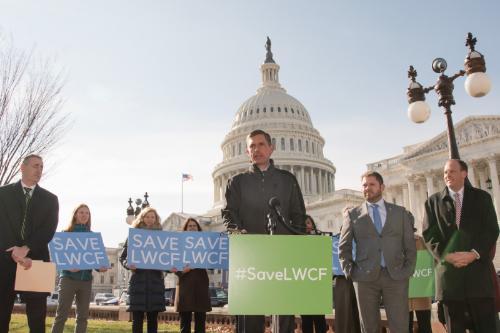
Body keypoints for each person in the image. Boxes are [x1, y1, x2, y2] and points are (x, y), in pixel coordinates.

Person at [222, 129, 306, 333]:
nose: (256, 149)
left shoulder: (288, 180)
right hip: (251, 255)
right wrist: (236, 230)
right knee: (250, 315)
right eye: (252, 146)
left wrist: (297, 243)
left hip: (282, 255)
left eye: (261, 144)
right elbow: (229, 213)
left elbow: (299, 215)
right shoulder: (237, 182)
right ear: (247, 152)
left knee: (284, 313)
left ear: (271, 148)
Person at [423, 159, 499, 333]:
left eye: (451, 171)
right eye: (445, 173)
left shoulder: (482, 198)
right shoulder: (432, 202)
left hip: (478, 278)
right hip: (450, 281)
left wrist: (474, 254)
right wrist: (446, 255)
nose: (447, 175)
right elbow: (429, 235)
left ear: (464, 173)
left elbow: (491, 229)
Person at [339, 171, 416, 333]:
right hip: (364, 279)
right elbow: (344, 246)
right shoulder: (353, 215)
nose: (367, 188)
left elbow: (409, 244)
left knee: (400, 326)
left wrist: (407, 269)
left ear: (382, 187)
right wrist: (351, 272)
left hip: (396, 277)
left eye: (372, 184)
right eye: (364, 185)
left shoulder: (399, 212)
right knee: (369, 327)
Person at [0, 154, 59, 333]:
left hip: (37, 262)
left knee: (37, 318)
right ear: (22, 167)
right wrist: (15, 252)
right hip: (4, 261)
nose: (39, 170)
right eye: (35, 166)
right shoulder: (3, 194)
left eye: (41, 167)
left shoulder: (50, 199)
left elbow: (48, 229)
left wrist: (26, 249)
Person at [51, 204, 108, 333]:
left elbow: (95, 260)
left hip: (86, 281)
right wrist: (68, 267)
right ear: (75, 215)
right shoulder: (65, 234)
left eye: (87, 213)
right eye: (81, 212)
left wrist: (101, 268)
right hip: (68, 279)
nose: (84, 215)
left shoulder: (93, 236)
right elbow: (57, 258)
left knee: (82, 317)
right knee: (61, 316)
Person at [120, 207, 166, 333]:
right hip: (137, 282)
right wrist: (128, 265)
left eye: (153, 217)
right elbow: (122, 257)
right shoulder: (134, 236)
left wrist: (169, 268)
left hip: (155, 283)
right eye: (147, 216)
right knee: (137, 320)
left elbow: (168, 259)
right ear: (142, 218)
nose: (150, 219)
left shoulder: (163, 237)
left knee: (153, 321)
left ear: (156, 219)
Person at [173, 218, 211, 333]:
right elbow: (171, 265)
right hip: (185, 285)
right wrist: (182, 271)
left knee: (200, 321)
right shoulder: (178, 244)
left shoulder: (205, 243)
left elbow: (213, 261)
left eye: (194, 226)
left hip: (201, 284)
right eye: (189, 226)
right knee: (185, 321)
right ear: (185, 228)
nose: (192, 227)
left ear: (198, 229)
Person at [300, 215, 328, 333]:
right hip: (302, 285)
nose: (307, 226)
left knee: (319, 319)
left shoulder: (320, 239)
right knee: (306, 320)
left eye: (308, 223)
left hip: (317, 285)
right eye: (304, 224)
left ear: (313, 224)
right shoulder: (296, 241)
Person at [408, 233, 432, 333]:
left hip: (421, 291)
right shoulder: (392, 242)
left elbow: (433, 260)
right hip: (401, 292)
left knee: (425, 326)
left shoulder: (421, 240)